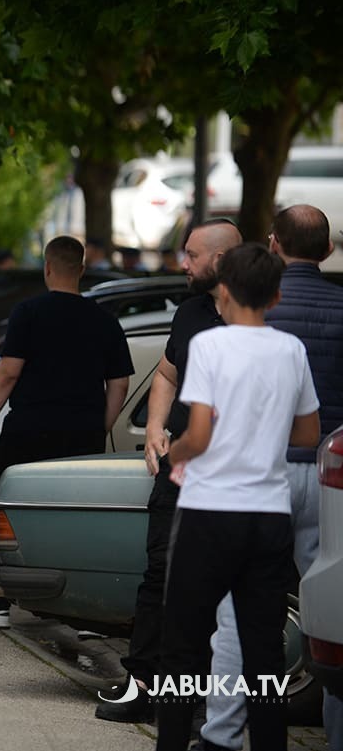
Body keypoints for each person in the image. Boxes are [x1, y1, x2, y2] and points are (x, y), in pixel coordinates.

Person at [156, 243, 320, 751]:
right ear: (276, 296)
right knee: (264, 653)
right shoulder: (291, 350)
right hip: (268, 514)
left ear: (223, 290)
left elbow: (200, 435)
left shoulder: (210, 345)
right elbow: (309, 433)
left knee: (182, 647)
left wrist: (173, 452)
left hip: (209, 512)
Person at [196, 205, 343, 751]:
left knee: (236, 615)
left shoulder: (251, 314)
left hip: (260, 477)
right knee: (335, 616)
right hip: (331, 480)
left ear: (274, 244)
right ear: (327, 251)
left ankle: (221, 735)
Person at [95, 218, 242, 723]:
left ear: (219, 261)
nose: (183, 264)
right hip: (176, 474)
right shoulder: (190, 312)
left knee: (220, 587)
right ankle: (142, 685)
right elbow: (166, 373)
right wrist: (156, 426)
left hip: (227, 478)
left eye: (191, 255)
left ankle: (202, 702)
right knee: (160, 574)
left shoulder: (255, 322)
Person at [0, 236, 133, 628]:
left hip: (30, 430)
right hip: (82, 434)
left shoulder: (28, 312)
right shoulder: (104, 319)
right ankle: (84, 615)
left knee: (6, 513)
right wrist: (100, 426)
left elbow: (8, 373)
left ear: (47, 268)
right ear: (82, 270)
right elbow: (119, 383)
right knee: (78, 519)